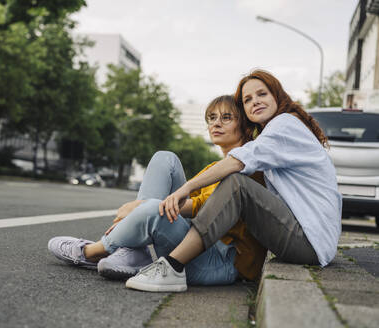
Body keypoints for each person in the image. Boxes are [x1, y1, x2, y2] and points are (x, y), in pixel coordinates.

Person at [124, 69, 342, 293]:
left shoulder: (285, 124)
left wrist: (185, 188)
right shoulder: (278, 131)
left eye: (262, 94)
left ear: (277, 96)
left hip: (309, 243)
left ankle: (171, 267)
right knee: (227, 180)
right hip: (308, 239)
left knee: (237, 184)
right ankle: (131, 250)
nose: (255, 102)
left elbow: (237, 161)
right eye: (247, 99)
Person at [48, 95, 267, 290]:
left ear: (245, 126)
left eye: (226, 117)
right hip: (200, 244)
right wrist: (145, 208)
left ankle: (91, 252)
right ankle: (134, 252)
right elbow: (183, 196)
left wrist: (140, 207)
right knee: (165, 158)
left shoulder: (248, 166)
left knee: (155, 208)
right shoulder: (214, 168)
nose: (216, 123)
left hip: (221, 263)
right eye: (211, 118)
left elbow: (208, 207)